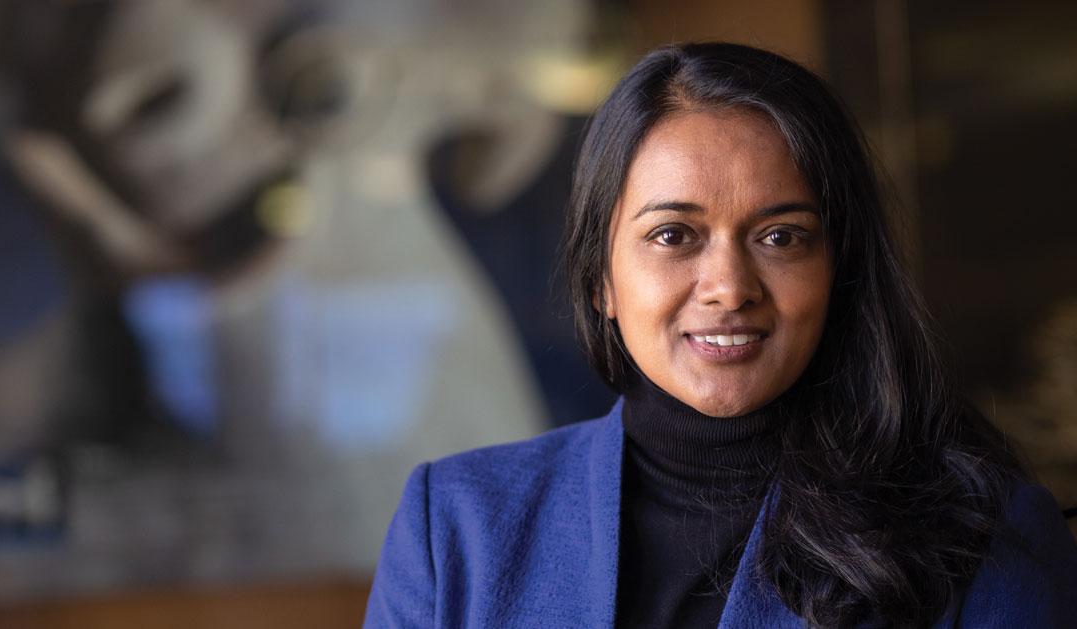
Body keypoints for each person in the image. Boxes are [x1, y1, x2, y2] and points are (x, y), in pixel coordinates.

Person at [364, 42, 1077, 628]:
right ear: (600, 279)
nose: (730, 286)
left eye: (781, 236)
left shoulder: (981, 536)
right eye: (673, 235)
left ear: (840, 271)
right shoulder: (455, 527)